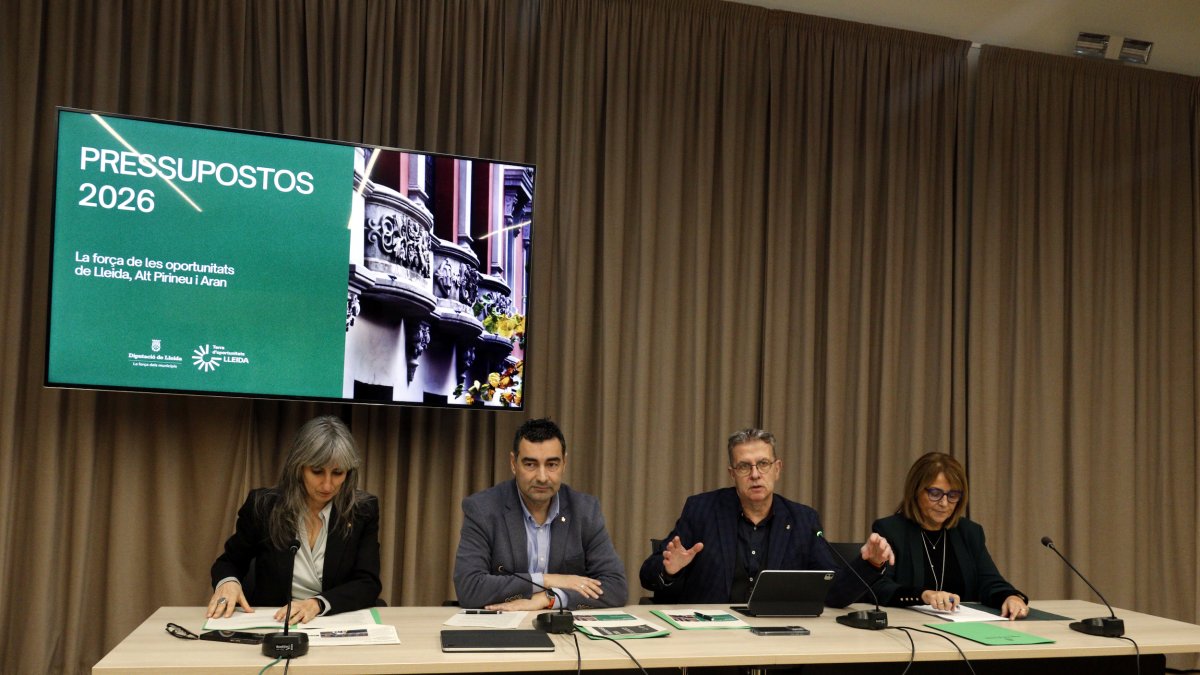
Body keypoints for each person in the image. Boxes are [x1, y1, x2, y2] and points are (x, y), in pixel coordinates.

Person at [207, 415, 382, 623]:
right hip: (276, 622)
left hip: (332, 621)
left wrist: (317, 604)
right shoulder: (263, 507)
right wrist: (228, 582)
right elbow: (228, 563)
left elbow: (368, 582)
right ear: (298, 468)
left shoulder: (362, 510)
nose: (328, 485)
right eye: (317, 471)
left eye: (337, 473)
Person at [639, 428, 839, 604]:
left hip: (778, 633)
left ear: (777, 469)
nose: (755, 474)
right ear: (732, 474)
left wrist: (870, 564)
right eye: (744, 466)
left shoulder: (803, 520)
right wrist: (669, 570)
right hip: (714, 633)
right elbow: (648, 575)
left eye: (763, 464)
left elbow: (835, 587)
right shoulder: (702, 510)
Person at [453, 418, 628, 610]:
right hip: (505, 625)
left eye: (552, 465)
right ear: (513, 463)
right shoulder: (483, 509)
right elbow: (469, 588)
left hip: (563, 629)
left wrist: (549, 598)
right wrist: (546, 580)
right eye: (530, 464)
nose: (542, 477)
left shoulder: (585, 510)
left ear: (564, 464)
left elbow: (615, 587)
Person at [830, 452, 1030, 619]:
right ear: (916, 491)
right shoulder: (891, 529)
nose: (944, 503)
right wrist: (924, 595)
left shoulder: (969, 532)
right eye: (935, 493)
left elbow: (990, 581)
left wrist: (1010, 596)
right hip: (911, 629)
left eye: (953, 495)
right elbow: (880, 588)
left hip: (966, 629)